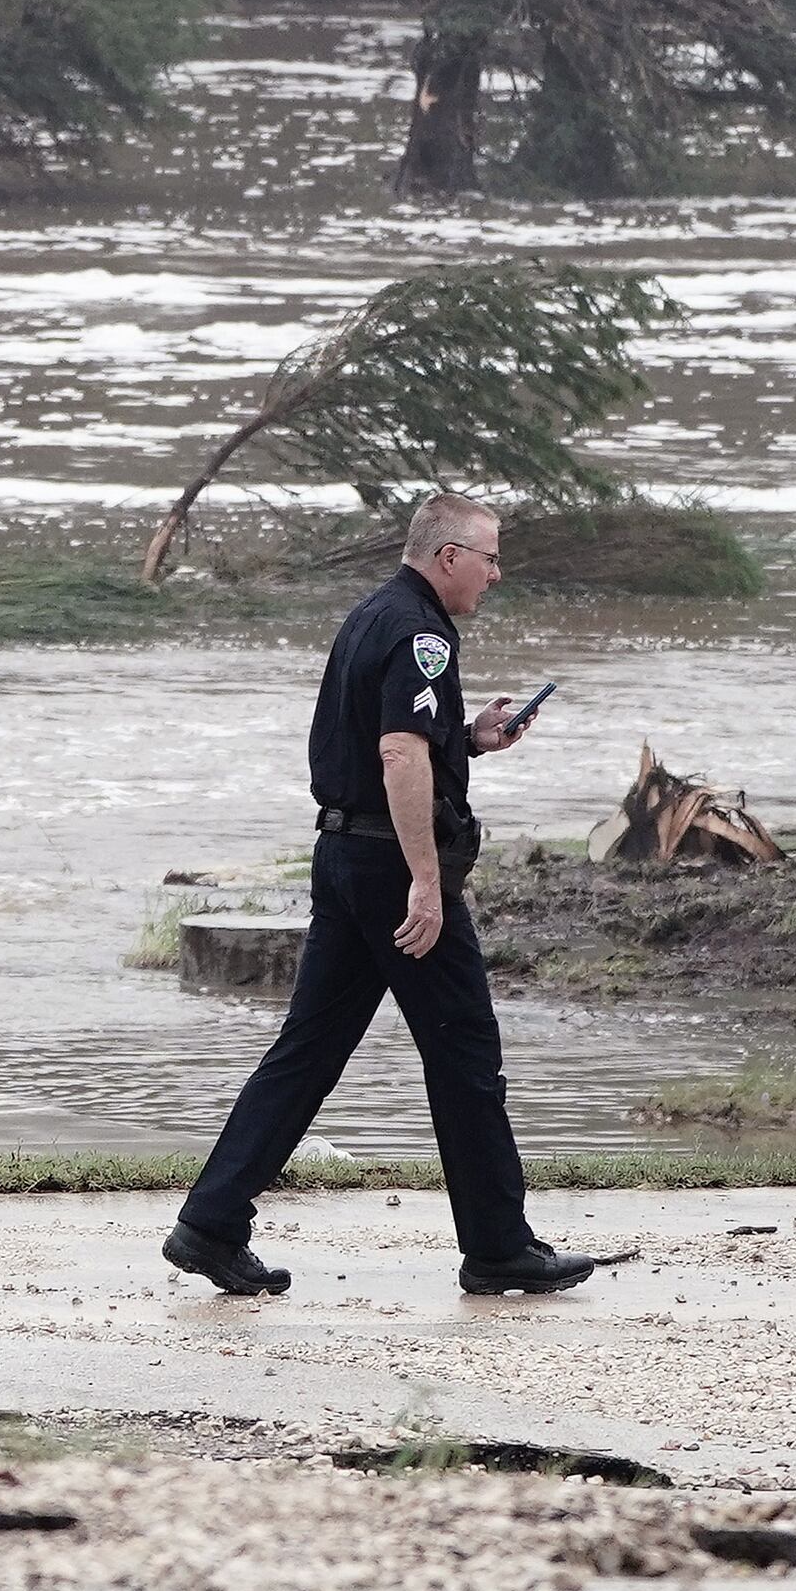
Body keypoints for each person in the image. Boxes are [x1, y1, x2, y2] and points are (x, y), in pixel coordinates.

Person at [161, 491, 605, 1300]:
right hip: (390, 867)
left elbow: (393, 740)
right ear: (448, 557)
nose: (496, 574)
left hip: (341, 855)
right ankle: (500, 1246)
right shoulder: (424, 632)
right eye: (490, 557)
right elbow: (400, 756)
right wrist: (428, 885)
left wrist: (469, 737)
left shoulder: (374, 614)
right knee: (465, 1048)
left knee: (307, 1051)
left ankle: (211, 1222)